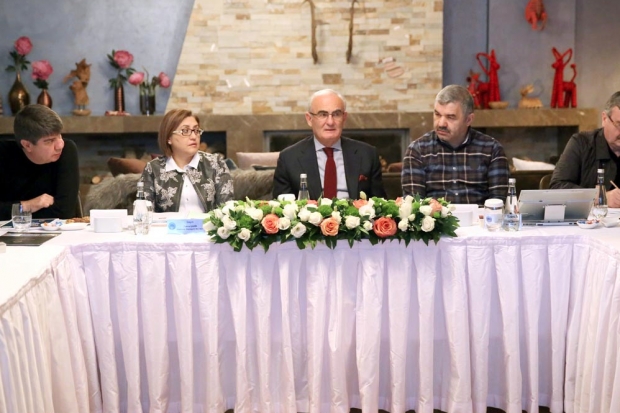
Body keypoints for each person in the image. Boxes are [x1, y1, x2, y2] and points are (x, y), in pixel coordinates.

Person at [401, 84, 509, 205]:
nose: (441, 123)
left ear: (468, 119)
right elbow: (414, 205)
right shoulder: (418, 150)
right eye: (437, 114)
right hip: (436, 217)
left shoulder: (491, 149)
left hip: (480, 217)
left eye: (450, 117)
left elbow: (498, 203)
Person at [272, 89, 386, 200]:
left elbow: (380, 204)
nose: (330, 122)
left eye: (336, 114)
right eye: (323, 114)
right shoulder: (289, 158)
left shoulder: (367, 154)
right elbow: (280, 208)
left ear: (344, 118)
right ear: (309, 119)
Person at [141, 109, 234, 212]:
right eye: (185, 131)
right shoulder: (153, 169)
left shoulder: (216, 163)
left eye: (196, 130)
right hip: (168, 223)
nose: (194, 136)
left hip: (207, 223)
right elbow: (144, 212)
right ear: (169, 138)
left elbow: (227, 210)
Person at [0, 104, 79, 220]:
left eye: (59, 136)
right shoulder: (3, 154)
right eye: (49, 141)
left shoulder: (67, 150)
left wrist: (16, 210)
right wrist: (29, 205)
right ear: (27, 145)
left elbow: (65, 212)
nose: (60, 145)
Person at [550, 91, 620, 207]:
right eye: (619, 124)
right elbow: (556, 188)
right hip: (590, 218)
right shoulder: (581, 143)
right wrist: (600, 197)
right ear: (604, 119)